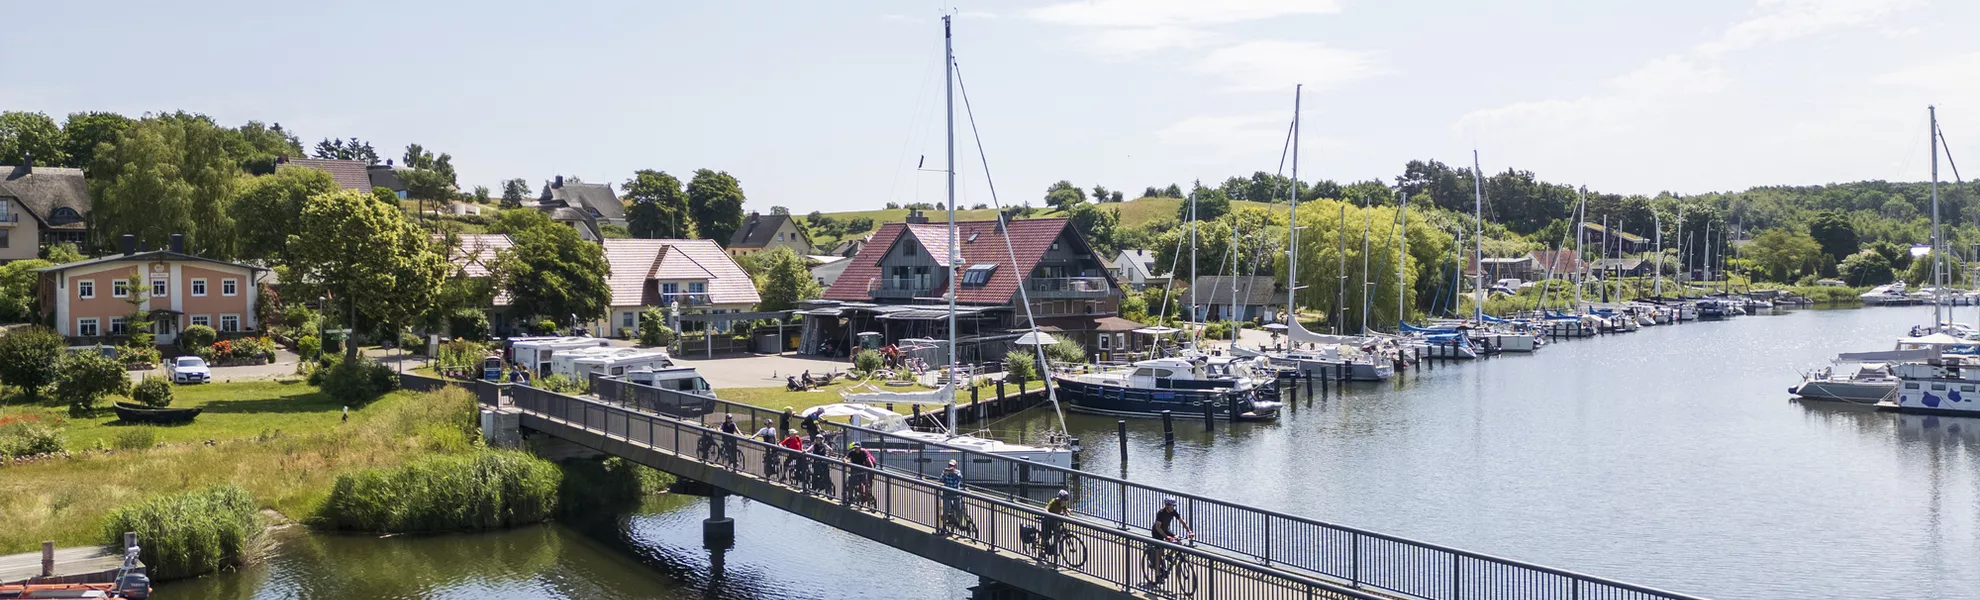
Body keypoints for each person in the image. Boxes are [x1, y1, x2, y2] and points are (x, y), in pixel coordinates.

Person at [1146, 497, 1194, 586]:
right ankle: (1157, 576)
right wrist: (1166, 537)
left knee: (1178, 541)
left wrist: (1189, 531)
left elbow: (1182, 522)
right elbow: (1157, 527)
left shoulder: (1173, 512)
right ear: (1167, 505)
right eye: (1171, 506)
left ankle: (1169, 556)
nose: (1173, 508)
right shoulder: (1161, 513)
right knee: (1159, 552)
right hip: (1157, 532)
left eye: (1174, 506)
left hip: (1165, 530)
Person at [845, 441, 876, 506]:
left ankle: (866, 497)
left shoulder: (863, 453)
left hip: (862, 471)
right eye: (855, 448)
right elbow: (845, 458)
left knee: (866, 484)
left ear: (860, 448)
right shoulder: (852, 453)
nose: (856, 449)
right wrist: (845, 461)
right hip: (854, 471)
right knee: (851, 485)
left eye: (858, 448)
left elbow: (868, 460)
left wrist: (872, 468)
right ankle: (850, 500)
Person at [939, 460, 965, 533]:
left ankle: (960, 524)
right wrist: (944, 473)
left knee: (958, 509)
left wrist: (954, 473)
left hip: (956, 494)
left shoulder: (958, 472)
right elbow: (941, 480)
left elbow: (960, 478)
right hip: (947, 494)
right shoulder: (946, 472)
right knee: (946, 509)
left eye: (952, 466)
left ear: (955, 466)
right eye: (950, 465)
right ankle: (944, 525)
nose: (951, 467)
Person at [1042, 489, 1071, 553]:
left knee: (1058, 532)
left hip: (1055, 520)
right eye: (1063, 500)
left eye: (1065, 501)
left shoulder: (1062, 504)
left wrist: (1067, 512)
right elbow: (1046, 508)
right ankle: (1044, 548)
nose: (1064, 502)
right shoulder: (1053, 501)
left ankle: (1053, 547)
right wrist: (1047, 512)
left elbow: (1065, 510)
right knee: (1047, 535)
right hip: (1048, 520)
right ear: (1060, 499)